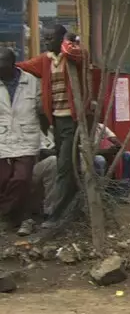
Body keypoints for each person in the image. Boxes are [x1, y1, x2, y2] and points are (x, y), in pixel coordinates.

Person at [19, 25, 87, 233]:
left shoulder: (73, 54)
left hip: (72, 120)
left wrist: (68, 40)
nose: (46, 41)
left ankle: (55, 214)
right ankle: (73, 208)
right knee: (66, 165)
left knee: (64, 166)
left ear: (61, 38)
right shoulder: (46, 60)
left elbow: (76, 53)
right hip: (56, 121)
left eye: (50, 38)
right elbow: (22, 66)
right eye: (45, 38)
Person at [0, 48, 45, 234]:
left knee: (21, 178)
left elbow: (42, 111)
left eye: (2, 65)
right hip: (3, 138)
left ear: (12, 64)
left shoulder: (31, 82)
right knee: (3, 180)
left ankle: (5, 216)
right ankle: (18, 218)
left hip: (26, 138)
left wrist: (47, 140)